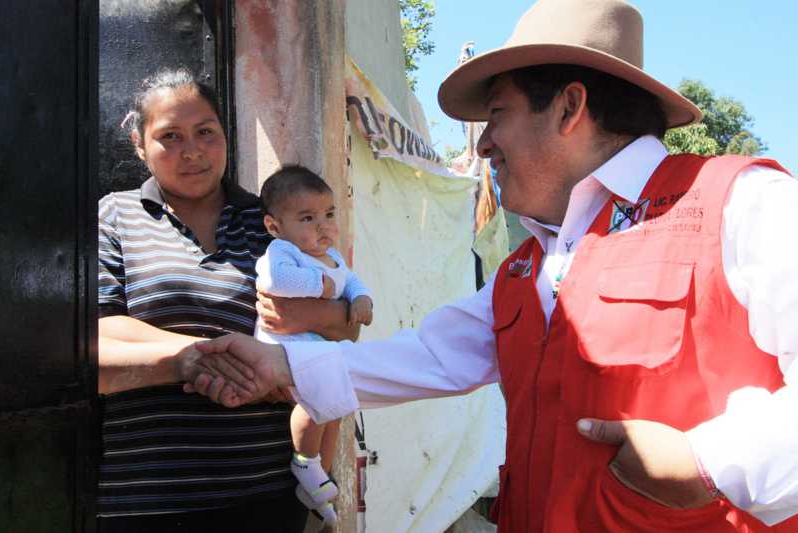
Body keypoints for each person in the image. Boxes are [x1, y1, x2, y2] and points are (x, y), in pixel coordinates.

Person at [187, 1, 798, 531]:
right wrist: (276, 364)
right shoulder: (525, 269)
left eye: (497, 114)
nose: (481, 144)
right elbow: (428, 356)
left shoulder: (742, 203)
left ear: (569, 107)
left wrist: (708, 463)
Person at [97, 68, 358, 532]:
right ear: (139, 145)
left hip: (268, 491)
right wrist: (194, 357)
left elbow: (346, 323)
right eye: (170, 136)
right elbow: (98, 336)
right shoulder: (116, 216)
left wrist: (282, 351)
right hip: (148, 495)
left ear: (225, 134)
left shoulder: (270, 220)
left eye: (205, 132)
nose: (192, 151)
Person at [255, 165, 373, 526]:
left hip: (314, 349)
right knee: (312, 403)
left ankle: (319, 471)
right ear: (275, 226)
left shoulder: (332, 257)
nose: (324, 226)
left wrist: (361, 298)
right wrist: (320, 286)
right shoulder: (282, 251)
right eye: (308, 218)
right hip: (284, 347)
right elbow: (275, 281)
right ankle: (305, 462)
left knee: (334, 408)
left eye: (329, 215)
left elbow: (350, 281)